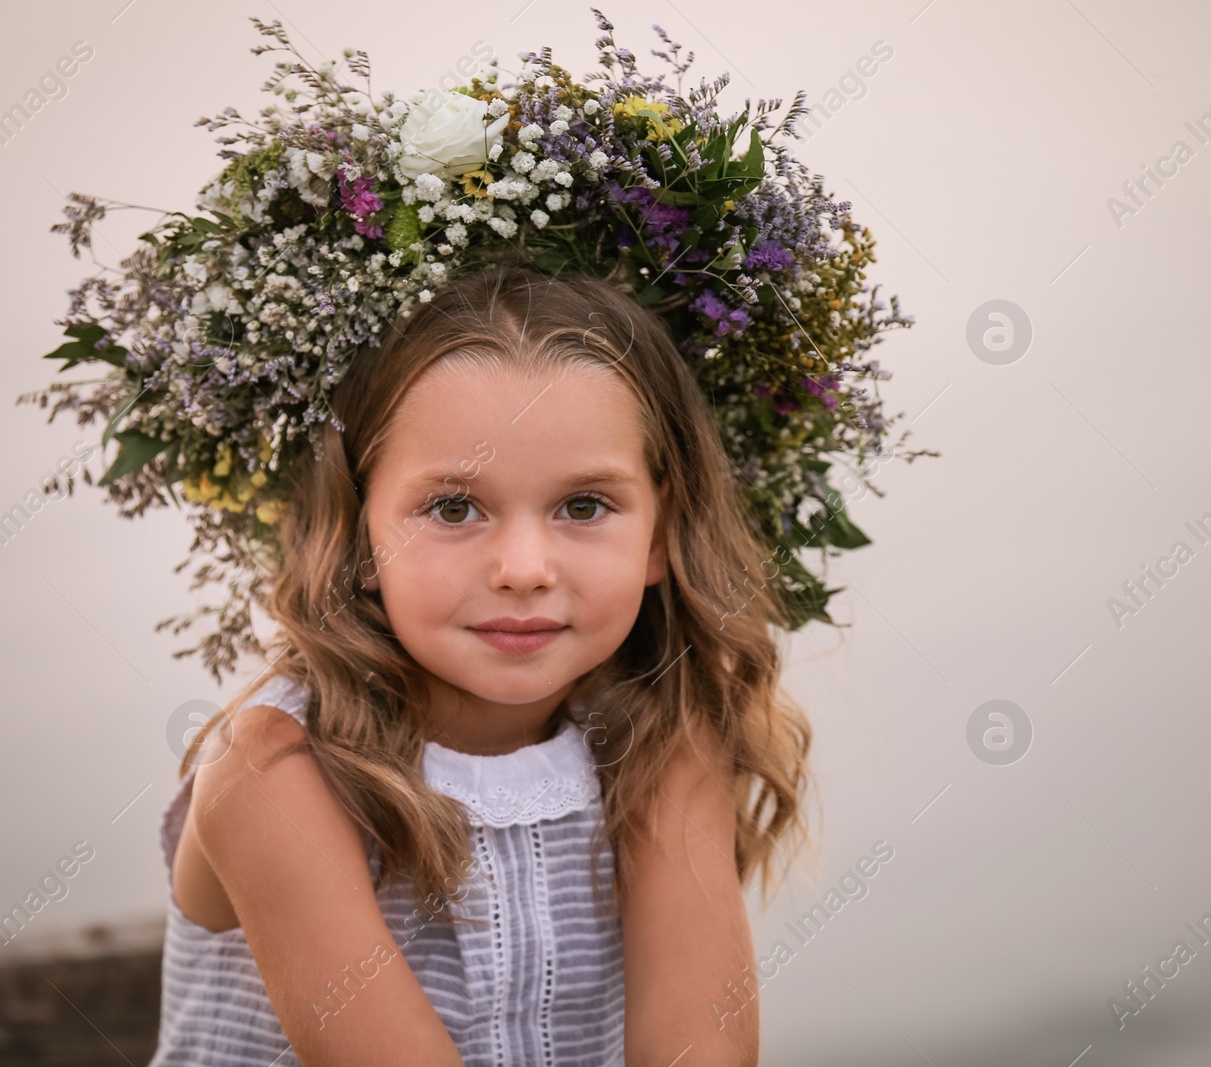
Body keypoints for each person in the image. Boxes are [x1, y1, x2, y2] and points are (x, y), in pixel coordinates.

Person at [150, 265, 813, 1066]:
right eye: (455, 507)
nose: (524, 568)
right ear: (361, 539)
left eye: (584, 505)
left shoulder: (663, 740)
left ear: (661, 530)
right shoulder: (274, 773)